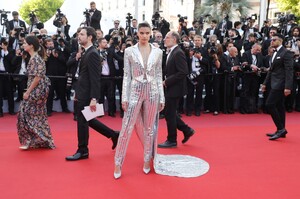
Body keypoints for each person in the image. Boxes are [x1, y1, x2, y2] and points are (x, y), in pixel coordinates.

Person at [113, 22, 165, 179]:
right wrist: (124, 97)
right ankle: (117, 162)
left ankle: (147, 160)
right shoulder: (129, 51)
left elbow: (158, 75)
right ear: (137, 33)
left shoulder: (158, 52)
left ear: (151, 34)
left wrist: (162, 97)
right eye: (141, 33)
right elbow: (126, 75)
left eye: (147, 33)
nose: (144, 36)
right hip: (134, 90)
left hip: (153, 91)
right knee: (126, 128)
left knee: (150, 129)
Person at [65, 27, 119, 161]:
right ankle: (113, 134)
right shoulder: (86, 52)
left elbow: (95, 78)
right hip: (82, 92)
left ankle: (83, 150)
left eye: (82, 34)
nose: (79, 36)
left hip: (88, 95)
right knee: (88, 119)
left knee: (82, 121)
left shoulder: (93, 54)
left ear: (90, 37)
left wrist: (94, 98)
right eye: (79, 34)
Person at [17, 35, 55, 150]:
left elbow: (37, 77)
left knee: (25, 113)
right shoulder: (34, 58)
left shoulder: (36, 59)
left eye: (25, 43)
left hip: (37, 90)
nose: (23, 45)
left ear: (31, 45)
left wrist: (28, 92)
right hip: (38, 89)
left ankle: (35, 140)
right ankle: (42, 140)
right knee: (37, 115)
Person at [158, 31, 195, 148]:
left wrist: (167, 81)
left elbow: (183, 72)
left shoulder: (178, 53)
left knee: (169, 114)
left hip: (175, 88)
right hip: (172, 87)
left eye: (167, 38)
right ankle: (187, 130)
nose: (164, 39)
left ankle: (172, 140)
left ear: (174, 39)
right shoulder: (171, 52)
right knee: (170, 113)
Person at [261, 33, 294, 140]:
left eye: (274, 40)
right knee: (280, 106)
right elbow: (271, 70)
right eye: (271, 40)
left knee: (269, 104)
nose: (272, 41)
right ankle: (281, 130)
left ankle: (280, 129)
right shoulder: (274, 53)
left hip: (281, 84)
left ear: (280, 41)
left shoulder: (286, 53)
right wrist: (265, 83)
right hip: (273, 83)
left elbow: (289, 71)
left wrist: (288, 87)